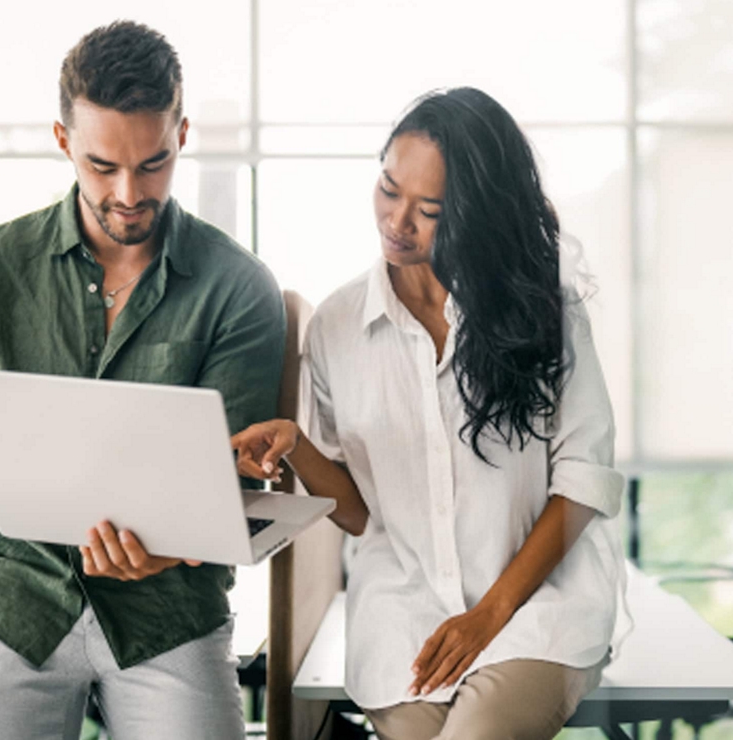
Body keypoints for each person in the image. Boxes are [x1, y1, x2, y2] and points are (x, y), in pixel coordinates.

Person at [0, 21, 286, 740]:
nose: (129, 192)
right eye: (102, 166)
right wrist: (48, 467)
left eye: (153, 164)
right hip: (18, 596)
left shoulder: (239, 286)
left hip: (169, 610)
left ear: (182, 134)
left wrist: (169, 541)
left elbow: (234, 482)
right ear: (63, 141)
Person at [231, 87, 627, 740]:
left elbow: (583, 478)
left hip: (537, 614)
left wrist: (488, 617)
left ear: (474, 213)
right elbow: (359, 514)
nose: (397, 221)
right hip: (403, 624)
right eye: (389, 189)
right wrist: (298, 445)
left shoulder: (544, 311)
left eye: (429, 209)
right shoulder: (336, 326)